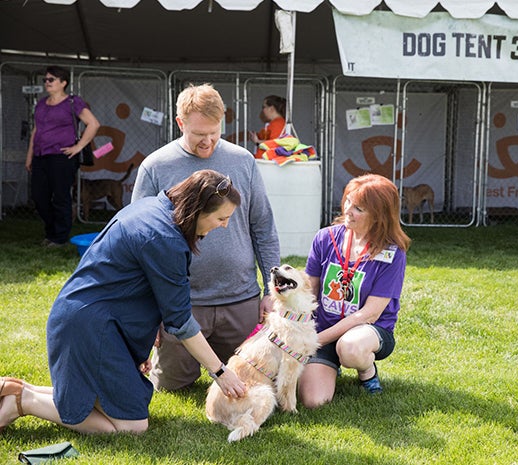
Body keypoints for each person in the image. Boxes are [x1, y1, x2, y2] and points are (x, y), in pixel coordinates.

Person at [0, 170, 247, 434]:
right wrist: (219, 371)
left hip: (84, 316)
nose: (224, 226)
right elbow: (181, 321)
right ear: (198, 209)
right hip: (88, 327)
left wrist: (139, 341)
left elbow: (140, 285)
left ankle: (18, 389)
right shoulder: (164, 239)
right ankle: (23, 401)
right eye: (222, 218)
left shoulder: (153, 206)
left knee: (121, 405)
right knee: (132, 426)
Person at [131, 83, 280, 393]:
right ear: (180, 123)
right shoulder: (156, 167)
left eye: (215, 131)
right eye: (199, 134)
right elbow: (137, 243)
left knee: (256, 382)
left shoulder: (242, 161)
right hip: (181, 305)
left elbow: (263, 227)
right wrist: (147, 313)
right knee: (172, 387)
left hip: (240, 299)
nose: (209, 141)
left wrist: (272, 290)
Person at [298, 174, 411, 408]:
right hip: (323, 329)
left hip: (367, 331)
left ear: (379, 215)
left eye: (358, 208)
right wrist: (296, 328)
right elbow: (309, 291)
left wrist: (315, 341)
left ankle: (366, 372)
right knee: (314, 402)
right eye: (347, 201)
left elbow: (369, 314)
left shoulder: (393, 253)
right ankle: (329, 365)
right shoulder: (325, 238)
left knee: (349, 348)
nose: (348, 210)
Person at [25, 65, 100, 247]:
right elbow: (36, 130)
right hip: (40, 156)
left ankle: (59, 238)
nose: (47, 83)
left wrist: (78, 146)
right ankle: (51, 233)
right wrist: (30, 155)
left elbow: (93, 124)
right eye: (45, 80)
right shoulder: (41, 104)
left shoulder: (73, 102)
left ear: (63, 83)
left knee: (60, 197)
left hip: (61, 157)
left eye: (51, 79)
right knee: (39, 196)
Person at [249, 95, 286, 159]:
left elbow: (275, 144)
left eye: (264, 107)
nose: (263, 110)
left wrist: (257, 141)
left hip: (269, 164)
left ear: (271, 108)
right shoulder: (273, 123)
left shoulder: (278, 124)